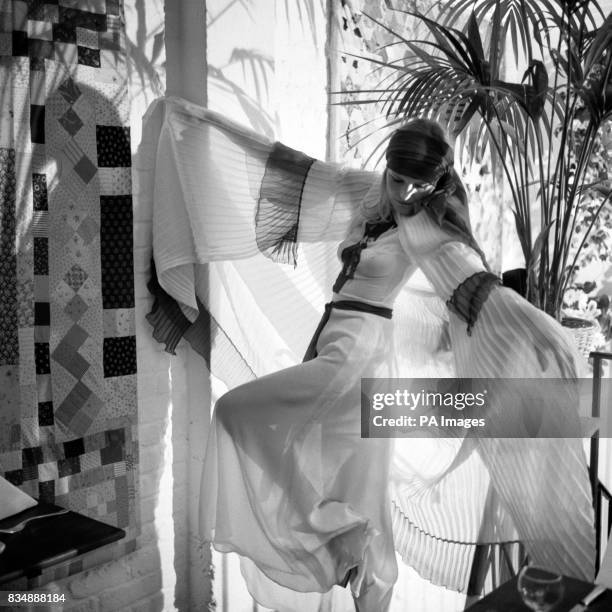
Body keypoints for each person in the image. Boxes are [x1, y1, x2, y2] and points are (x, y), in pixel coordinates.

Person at [139, 97, 595, 612]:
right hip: (334, 345)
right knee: (362, 496)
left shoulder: (428, 230)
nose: (404, 193)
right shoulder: (365, 192)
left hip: (356, 359)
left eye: (418, 186)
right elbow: (294, 170)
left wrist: (543, 332)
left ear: (438, 182)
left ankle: (341, 539)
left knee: (236, 413)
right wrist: (196, 126)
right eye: (397, 179)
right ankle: (352, 552)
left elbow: (474, 282)